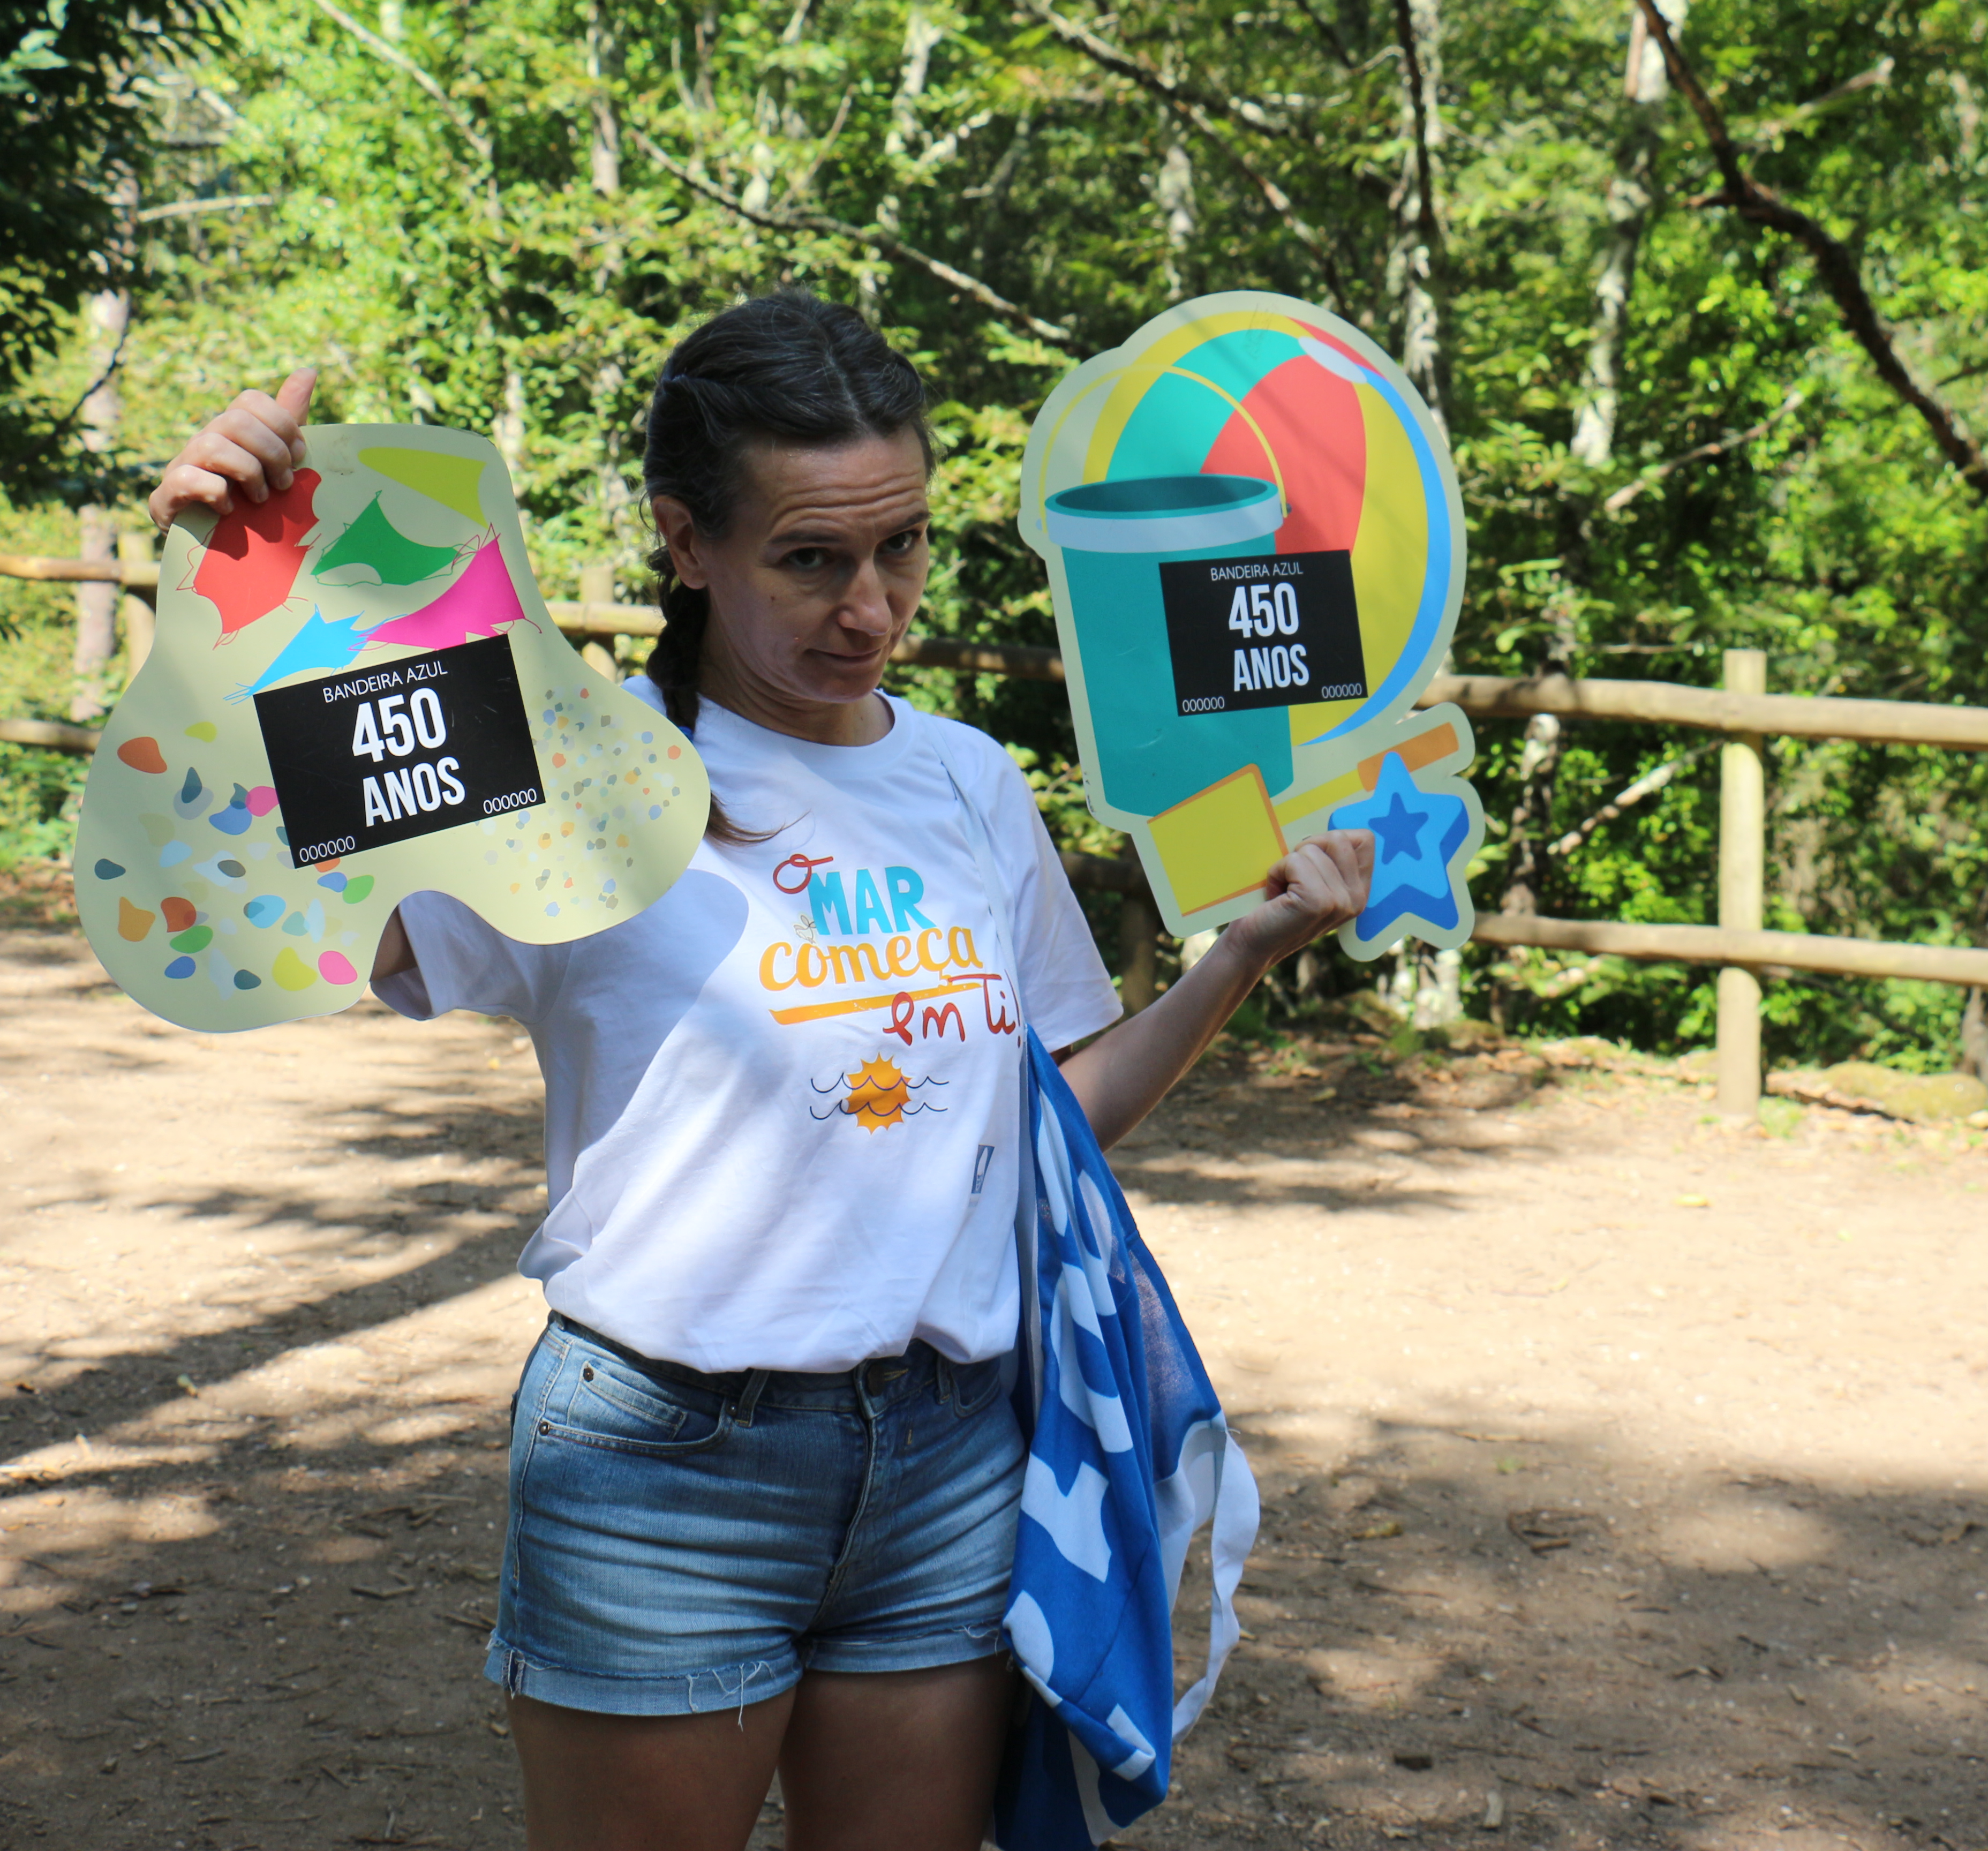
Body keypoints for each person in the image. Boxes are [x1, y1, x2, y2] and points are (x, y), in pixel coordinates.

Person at [149, 292, 1376, 1851]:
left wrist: (1238, 957)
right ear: (687, 542)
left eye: (902, 547)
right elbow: (305, 900)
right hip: (663, 1472)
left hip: (950, 1459)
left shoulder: (967, 781)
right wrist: (233, 591)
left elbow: (1052, 1121)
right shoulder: (569, 775)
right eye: (811, 559)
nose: (871, 608)